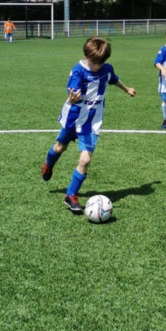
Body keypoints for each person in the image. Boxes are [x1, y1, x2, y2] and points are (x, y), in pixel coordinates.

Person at [41, 36, 136, 213]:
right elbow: (73, 90)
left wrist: (127, 89)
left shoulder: (106, 69)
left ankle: (70, 195)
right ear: (87, 55)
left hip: (91, 123)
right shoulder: (78, 71)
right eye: (94, 62)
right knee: (60, 147)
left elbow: (113, 79)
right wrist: (72, 97)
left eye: (99, 63)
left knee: (85, 160)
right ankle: (48, 165)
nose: (96, 66)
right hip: (73, 118)